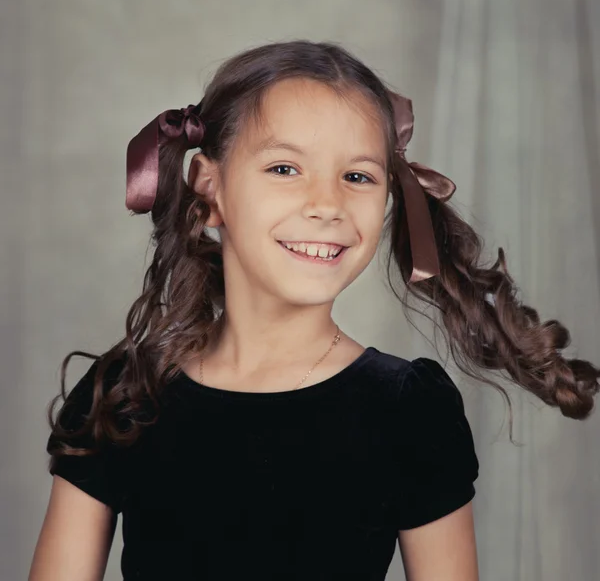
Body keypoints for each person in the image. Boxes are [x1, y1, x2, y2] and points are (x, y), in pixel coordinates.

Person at [29, 40, 599, 581]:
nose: (326, 205)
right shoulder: (123, 395)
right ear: (209, 186)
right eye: (284, 168)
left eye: (357, 176)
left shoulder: (407, 409)